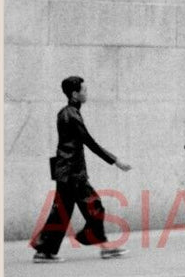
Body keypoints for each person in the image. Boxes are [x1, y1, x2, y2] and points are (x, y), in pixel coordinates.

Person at [31, 75, 133, 262]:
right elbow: (90, 142)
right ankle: (101, 246)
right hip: (71, 173)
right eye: (84, 91)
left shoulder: (68, 113)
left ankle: (44, 250)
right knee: (94, 206)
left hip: (66, 172)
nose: (87, 93)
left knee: (62, 213)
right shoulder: (70, 115)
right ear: (75, 94)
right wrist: (116, 161)